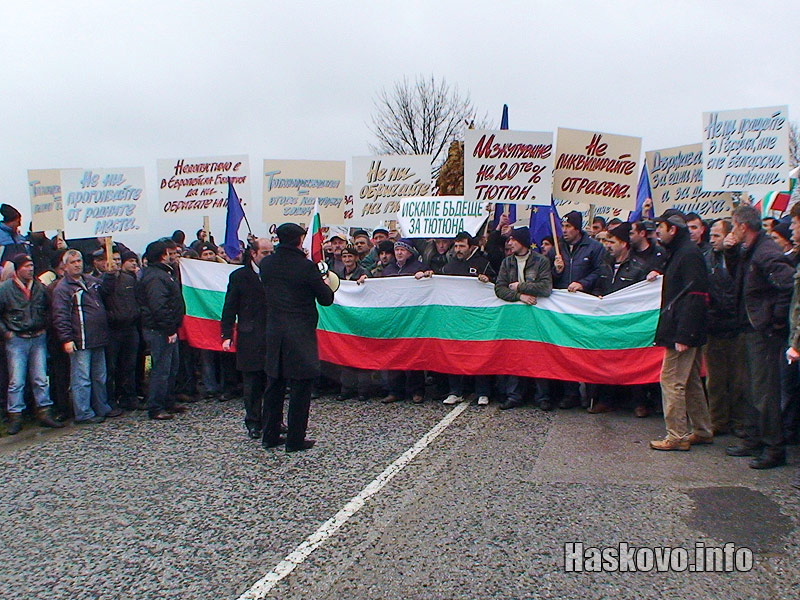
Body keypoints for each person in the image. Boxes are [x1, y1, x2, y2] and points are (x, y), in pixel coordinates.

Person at [725, 205, 794, 469]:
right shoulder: (750, 250)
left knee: (764, 391)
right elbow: (738, 280)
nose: (732, 230)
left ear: (743, 226)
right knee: (749, 387)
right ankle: (753, 438)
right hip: (748, 326)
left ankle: (774, 447)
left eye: (734, 225)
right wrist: (731, 253)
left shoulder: (766, 251)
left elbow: (788, 284)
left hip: (761, 330)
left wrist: (775, 320)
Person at [260, 223, 334, 452]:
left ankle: (270, 435)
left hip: (274, 331)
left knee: (274, 386)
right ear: (299, 240)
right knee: (300, 389)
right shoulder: (305, 267)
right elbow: (326, 299)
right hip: (300, 333)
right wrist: (324, 283)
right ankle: (295, 439)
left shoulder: (267, 264)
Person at [649, 210, 712, 451]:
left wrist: (684, 334)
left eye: (660, 227)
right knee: (691, 380)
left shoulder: (687, 254)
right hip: (684, 328)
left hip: (682, 330)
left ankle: (676, 435)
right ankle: (702, 430)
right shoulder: (681, 252)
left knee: (671, 380)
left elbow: (695, 296)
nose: (657, 231)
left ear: (673, 229)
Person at [52, 249, 121, 424]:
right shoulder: (63, 288)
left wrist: (110, 275)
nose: (77, 265)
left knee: (99, 376)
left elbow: (106, 291)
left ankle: (101, 406)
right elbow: (60, 315)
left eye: (79, 261)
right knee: (82, 378)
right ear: (65, 266)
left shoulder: (90, 281)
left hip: (98, 337)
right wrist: (67, 339)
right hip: (80, 338)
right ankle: (83, 412)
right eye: (73, 262)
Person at [0, 254, 63, 433]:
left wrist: (45, 325)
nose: (30, 269)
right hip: (17, 338)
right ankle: (15, 416)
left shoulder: (39, 287)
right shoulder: (5, 289)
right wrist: (6, 332)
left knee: (40, 378)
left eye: (31, 265)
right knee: (16, 380)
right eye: (26, 266)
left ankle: (44, 412)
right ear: (17, 269)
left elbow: (49, 308)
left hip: (38, 337)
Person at [549, 210, 605, 409]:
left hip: (585, 306)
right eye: (562, 226)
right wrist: (556, 271)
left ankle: (591, 394)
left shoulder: (594, 247)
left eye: (568, 227)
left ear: (577, 228)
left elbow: (600, 271)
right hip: (563, 308)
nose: (564, 230)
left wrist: (583, 283)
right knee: (566, 350)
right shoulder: (557, 249)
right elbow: (547, 277)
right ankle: (570, 393)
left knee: (586, 350)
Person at [591, 223, 649, 415]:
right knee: (607, 359)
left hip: (630, 321)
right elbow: (598, 286)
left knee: (634, 360)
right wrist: (598, 296)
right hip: (608, 321)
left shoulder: (639, 267)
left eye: (612, 241)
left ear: (624, 243)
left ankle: (639, 402)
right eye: (606, 241)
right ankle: (605, 400)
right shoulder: (605, 264)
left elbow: (643, 295)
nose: (607, 245)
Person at [495, 226, 553, 410]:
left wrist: (521, 286)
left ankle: (542, 396)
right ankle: (514, 395)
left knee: (538, 354)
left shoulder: (541, 261)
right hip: (515, 317)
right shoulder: (507, 262)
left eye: (513, 239)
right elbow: (500, 288)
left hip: (537, 316)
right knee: (515, 354)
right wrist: (519, 296)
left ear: (523, 242)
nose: (510, 243)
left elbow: (545, 287)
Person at [221, 238, 273, 439]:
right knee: (252, 383)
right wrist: (226, 334)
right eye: (265, 253)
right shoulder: (240, 276)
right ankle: (253, 422)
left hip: (273, 335)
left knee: (273, 383)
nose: (269, 257)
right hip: (250, 337)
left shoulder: (276, 274)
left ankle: (273, 420)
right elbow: (230, 306)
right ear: (254, 254)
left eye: (271, 253)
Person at [442, 232, 497, 406]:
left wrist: (488, 279)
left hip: (477, 317)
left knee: (479, 353)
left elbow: (496, 283)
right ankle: (455, 391)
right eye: (456, 246)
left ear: (471, 247)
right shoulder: (449, 266)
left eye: (462, 246)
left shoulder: (483, 263)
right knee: (454, 353)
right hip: (455, 318)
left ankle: (483, 392)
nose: (458, 250)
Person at [703, 219, 746, 436]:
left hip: (737, 326)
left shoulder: (741, 257)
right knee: (715, 380)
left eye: (717, 236)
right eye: (711, 235)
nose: (712, 240)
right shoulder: (706, 258)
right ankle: (718, 420)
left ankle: (740, 422)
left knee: (739, 380)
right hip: (714, 326)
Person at [138, 240, 187, 421]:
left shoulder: (163, 274)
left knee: (171, 367)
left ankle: (168, 401)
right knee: (161, 369)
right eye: (169, 253)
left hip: (166, 328)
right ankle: (156, 406)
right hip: (159, 330)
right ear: (162, 255)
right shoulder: (156, 277)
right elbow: (158, 306)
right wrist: (169, 328)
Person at [100, 249, 142, 411]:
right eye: (113, 259)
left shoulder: (129, 279)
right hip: (112, 330)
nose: (116, 262)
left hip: (130, 328)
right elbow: (103, 295)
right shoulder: (100, 281)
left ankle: (129, 397)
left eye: (118, 259)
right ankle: (111, 399)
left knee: (129, 366)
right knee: (111, 368)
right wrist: (109, 276)